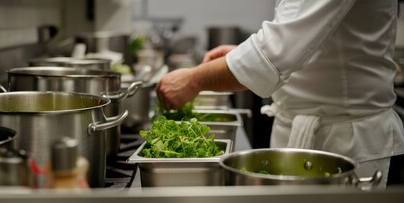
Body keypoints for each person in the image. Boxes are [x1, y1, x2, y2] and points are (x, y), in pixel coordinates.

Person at [156, 0, 404, 188]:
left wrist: (194, 79)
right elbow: (304, 39)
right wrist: (239, 56)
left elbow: (275, 52)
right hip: (308, 136)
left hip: (344, 146)